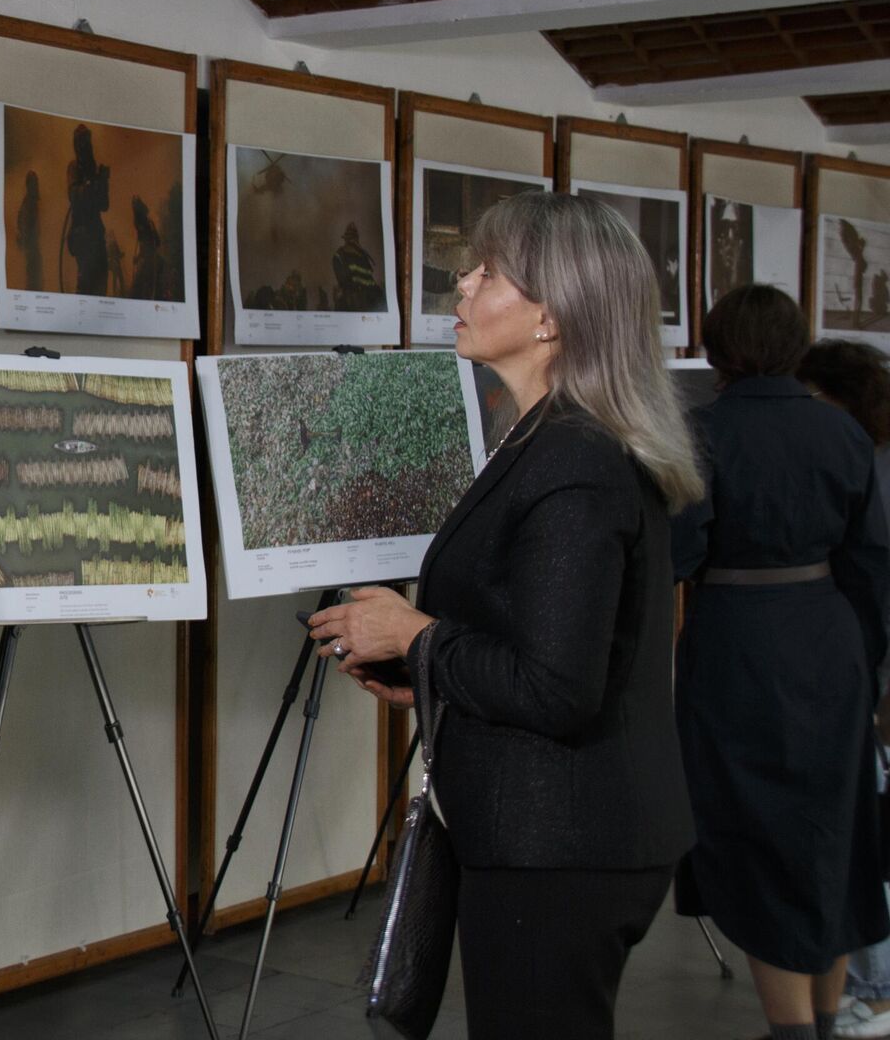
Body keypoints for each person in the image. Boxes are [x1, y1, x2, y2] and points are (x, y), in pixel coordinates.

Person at [307, 191, 701, 1039]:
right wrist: (431, 670)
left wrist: (416, 637)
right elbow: (535, 638)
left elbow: (558, 687)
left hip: (562, 841)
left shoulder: (575, 461)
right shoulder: (544, 438)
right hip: (553, 830)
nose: (462, 286)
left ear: (553, 316)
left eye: (489, 273)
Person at [670, 285, 890, 1040]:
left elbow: (681, 552)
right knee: (832, 837)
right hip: (831, 642)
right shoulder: (843, 434)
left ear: (716, 347)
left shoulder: (700, 432)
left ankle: (791, 1031)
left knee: (757, 836)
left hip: (738, 641)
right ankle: (823, 1023)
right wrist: (862, 662)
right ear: (796, 345)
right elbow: (873, 564)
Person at [798, 339, 890, 1039]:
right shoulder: (865, 459)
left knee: (869, 837)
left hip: (870, 678)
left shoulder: (863, 466)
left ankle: (874, 989)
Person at [64, 124, 110, 296]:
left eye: (87, 141)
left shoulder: (93, 171)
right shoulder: (74, 167)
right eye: (82, 142)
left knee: (101, 282)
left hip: (96, 235)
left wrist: (104, 182)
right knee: (85, 286)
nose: (86, 146)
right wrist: (92, 184)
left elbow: (104, 205)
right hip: (82, 236)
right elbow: (74, 195)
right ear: (76, 145)